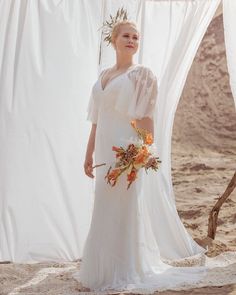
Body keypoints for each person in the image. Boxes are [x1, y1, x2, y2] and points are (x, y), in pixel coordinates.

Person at [72, 19, 210, 293]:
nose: (132, 40)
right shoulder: (102, 77)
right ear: (114, 39)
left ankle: (126, 268)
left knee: (125, 207)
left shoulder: (141, 75)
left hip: (127, 150)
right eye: (126, 35)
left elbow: (146, 117)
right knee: (104, 206)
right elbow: (96, 122)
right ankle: (102, 270)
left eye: (136, 37)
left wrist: (147, 149)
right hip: (104, 150)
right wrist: (88, 154)